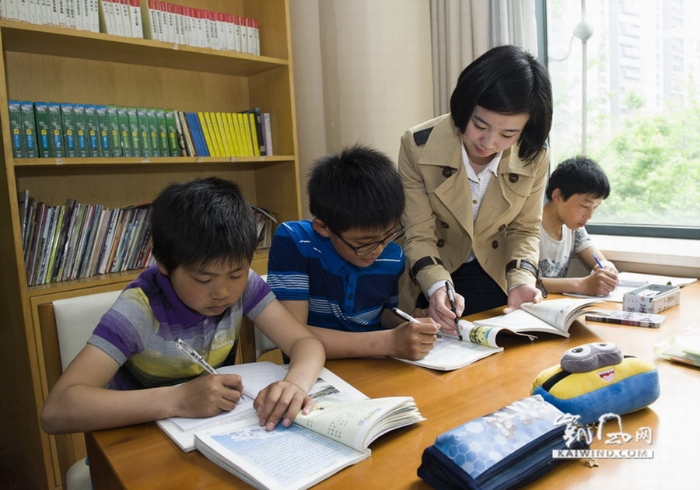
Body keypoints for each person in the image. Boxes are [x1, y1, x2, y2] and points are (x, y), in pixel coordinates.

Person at [41, 177, 325, 435]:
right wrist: (176, 399)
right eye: (203, 279)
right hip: (140, 439)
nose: (223, 292)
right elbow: (57, 410)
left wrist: (295, 385)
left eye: (236, 274)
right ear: (164, 265)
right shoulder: (139, 310)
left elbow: (305, 343)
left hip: (209, 432)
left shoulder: (245, 285)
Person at [398, 44, 553, 332]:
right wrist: (436, 286)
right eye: (479, 124)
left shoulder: (533, 156)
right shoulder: (417, 146)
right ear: (464, 106)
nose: (488, 142)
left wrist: (522, 280)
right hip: (435, 269)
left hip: (495, 271)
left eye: (508, 134)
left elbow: (525, 229)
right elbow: (418, 233)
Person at [267, 145, 440, 360]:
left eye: (387, 235)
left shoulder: (392, 254)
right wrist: (387, 342)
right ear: (322, 227)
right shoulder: (294, 241)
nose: (377, 250)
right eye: (363, 242)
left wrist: (409, 322)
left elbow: (381, 316)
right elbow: (292, 335)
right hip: (314, 372)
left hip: (372, 366)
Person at [538, 156, 619, 295]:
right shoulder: (526, 227)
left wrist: (607, 268)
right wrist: (581, 285)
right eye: (584, 206)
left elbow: (600, 261)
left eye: (595, 207)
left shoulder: (574, 229)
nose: (589, 215)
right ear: (557, 196)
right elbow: (520, 283)